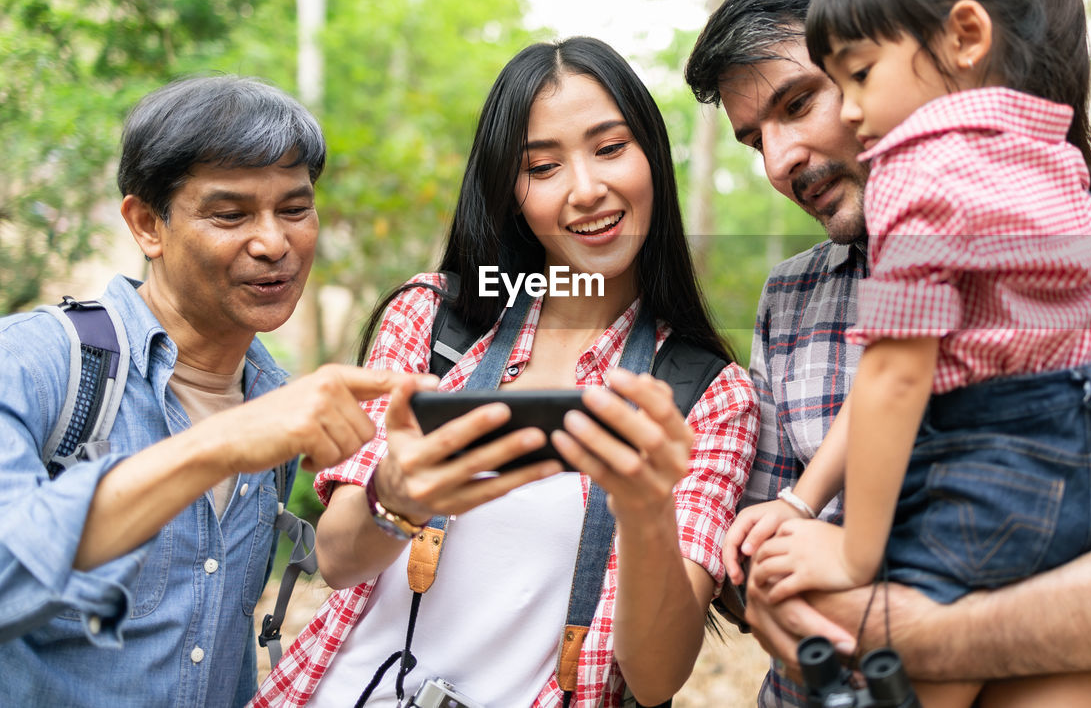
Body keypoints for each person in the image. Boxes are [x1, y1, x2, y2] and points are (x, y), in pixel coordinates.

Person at [685, 0, 1091, 707]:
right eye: (753, 137)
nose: (778, 160)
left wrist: (920, 630)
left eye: (802, 101)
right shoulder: (792, 299)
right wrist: (770, 581)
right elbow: (759, 549)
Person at [253, 36, 760, 708]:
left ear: (652, 160)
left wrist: (643, 511)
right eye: (543, 167)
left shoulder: (707, 396)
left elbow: (656, 673)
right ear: (511, 191)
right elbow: (339, 558)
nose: (587, 189)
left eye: (610, 149)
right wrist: (396, 492)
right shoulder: (433, 317)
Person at [0, 75, 419, 706]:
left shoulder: (273, 399)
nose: (274, 243)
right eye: (230, 215)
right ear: (147, 224)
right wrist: (219, 446)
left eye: (295, 209)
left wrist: (400, 494)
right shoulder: (36, 363)